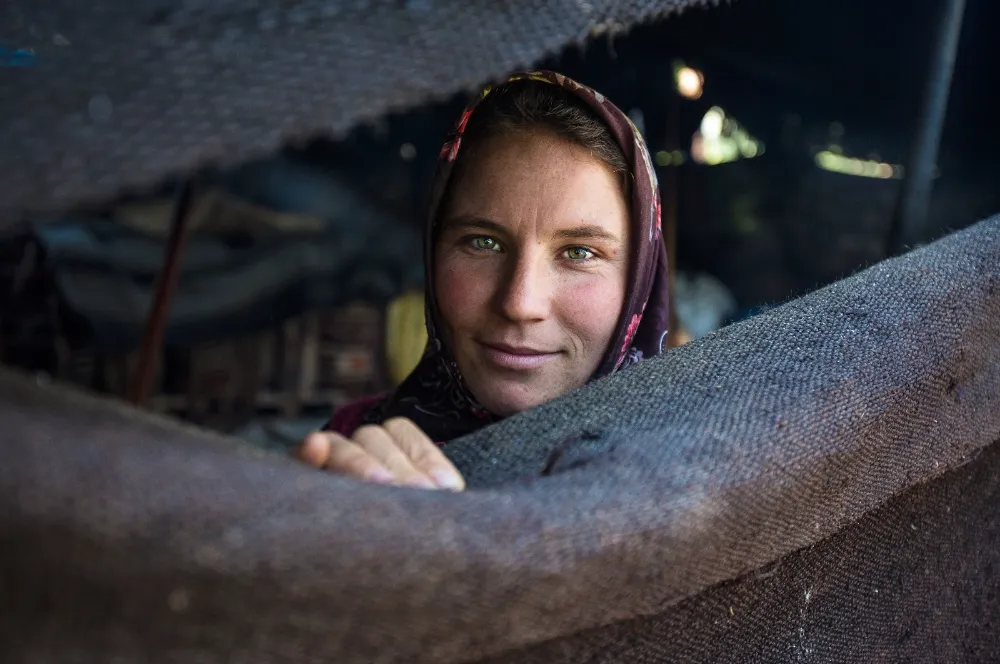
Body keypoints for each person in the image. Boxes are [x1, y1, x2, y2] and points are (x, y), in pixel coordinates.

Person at [293, 71, 670, 491]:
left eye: (579, 253)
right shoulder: (347, 457)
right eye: (484, 242)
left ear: (639, 280)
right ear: (434, 247)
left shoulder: (692, 477)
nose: (520, 302)